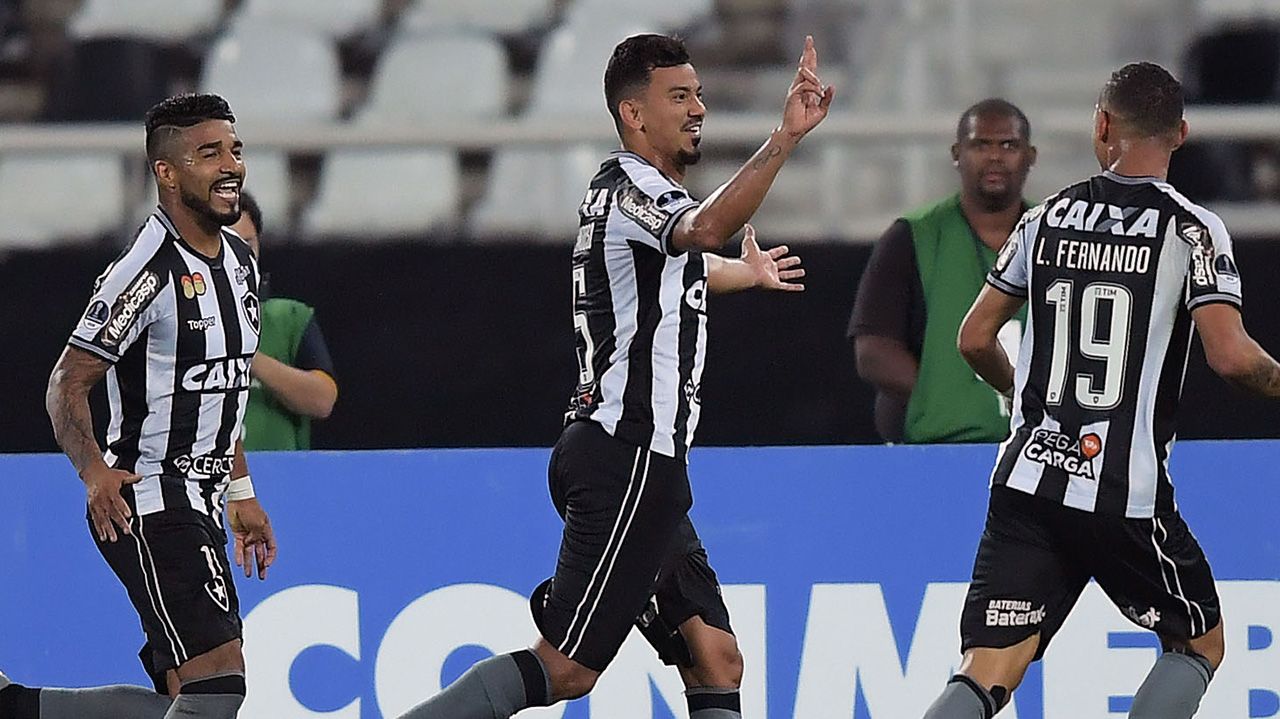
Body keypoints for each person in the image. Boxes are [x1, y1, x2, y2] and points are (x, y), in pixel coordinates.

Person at [396, 33, 831, 719]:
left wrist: (743, 274)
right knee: (566, 669)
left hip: (640, 463)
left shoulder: (624, 198)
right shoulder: (637, 190)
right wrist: (783, 139)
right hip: (627, 457)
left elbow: (675, 270)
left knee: (715, 654)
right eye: (679, 96)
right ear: (634, 114)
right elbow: (707, 229)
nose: (699, 110)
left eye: (699, 94)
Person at [923, 62, 1280, 719]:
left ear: (1103, 125)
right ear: (1181, 133)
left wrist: (1023, 395)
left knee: (989, 667)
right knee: (1198, 638)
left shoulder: (1046, 217)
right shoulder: (1190, 229)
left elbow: (974, 337)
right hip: (1121, 491)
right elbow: (1230, 357)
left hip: (1027, 477)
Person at [0, 93, 277, 719]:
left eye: (235, 150)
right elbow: (66, 383)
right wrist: (95, 473)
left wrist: (240, 492)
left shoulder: (239, 263)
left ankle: (16, 706)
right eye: (210, 153)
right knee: (219, 686)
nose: (231, 165)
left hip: (204, 502)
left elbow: (221, 388)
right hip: (150, 501)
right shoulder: (142, 273)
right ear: (167, 172)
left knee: (180, 699)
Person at [849, 98, 1037, 443]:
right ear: (956, 153)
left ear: (1030, 157)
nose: (995, 156)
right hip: (936, 453)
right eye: (981, 144)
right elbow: (873, 351)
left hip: (1041, 452)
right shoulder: (909, 237)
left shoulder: (1058, 234)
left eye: (1008, 145)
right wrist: (946, 397)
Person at [230, 191, 338, 450]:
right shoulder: (174, 323)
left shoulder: (290, 319)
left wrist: (248, 357)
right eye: (229, 246)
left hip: (280, 478)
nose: (240, 258)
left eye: (247, 245)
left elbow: (323, 400)